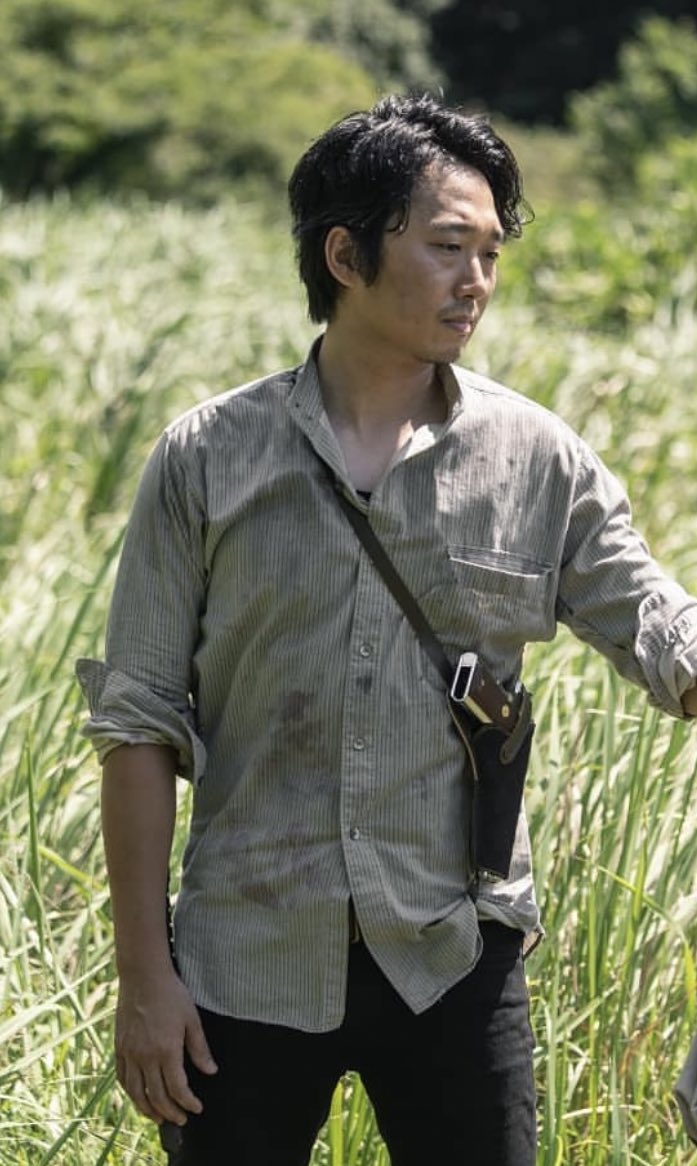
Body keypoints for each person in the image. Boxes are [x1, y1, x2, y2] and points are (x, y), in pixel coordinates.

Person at [76, 91, 697, 1166]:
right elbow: (137, 723)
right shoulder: (208, 458)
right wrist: (146, 978)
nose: (476, 281)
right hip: (246, 957)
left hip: (455, 953)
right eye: (447, 246)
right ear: (345, 255)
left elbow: (654, 619)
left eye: (490, 254)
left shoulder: (535, 459)